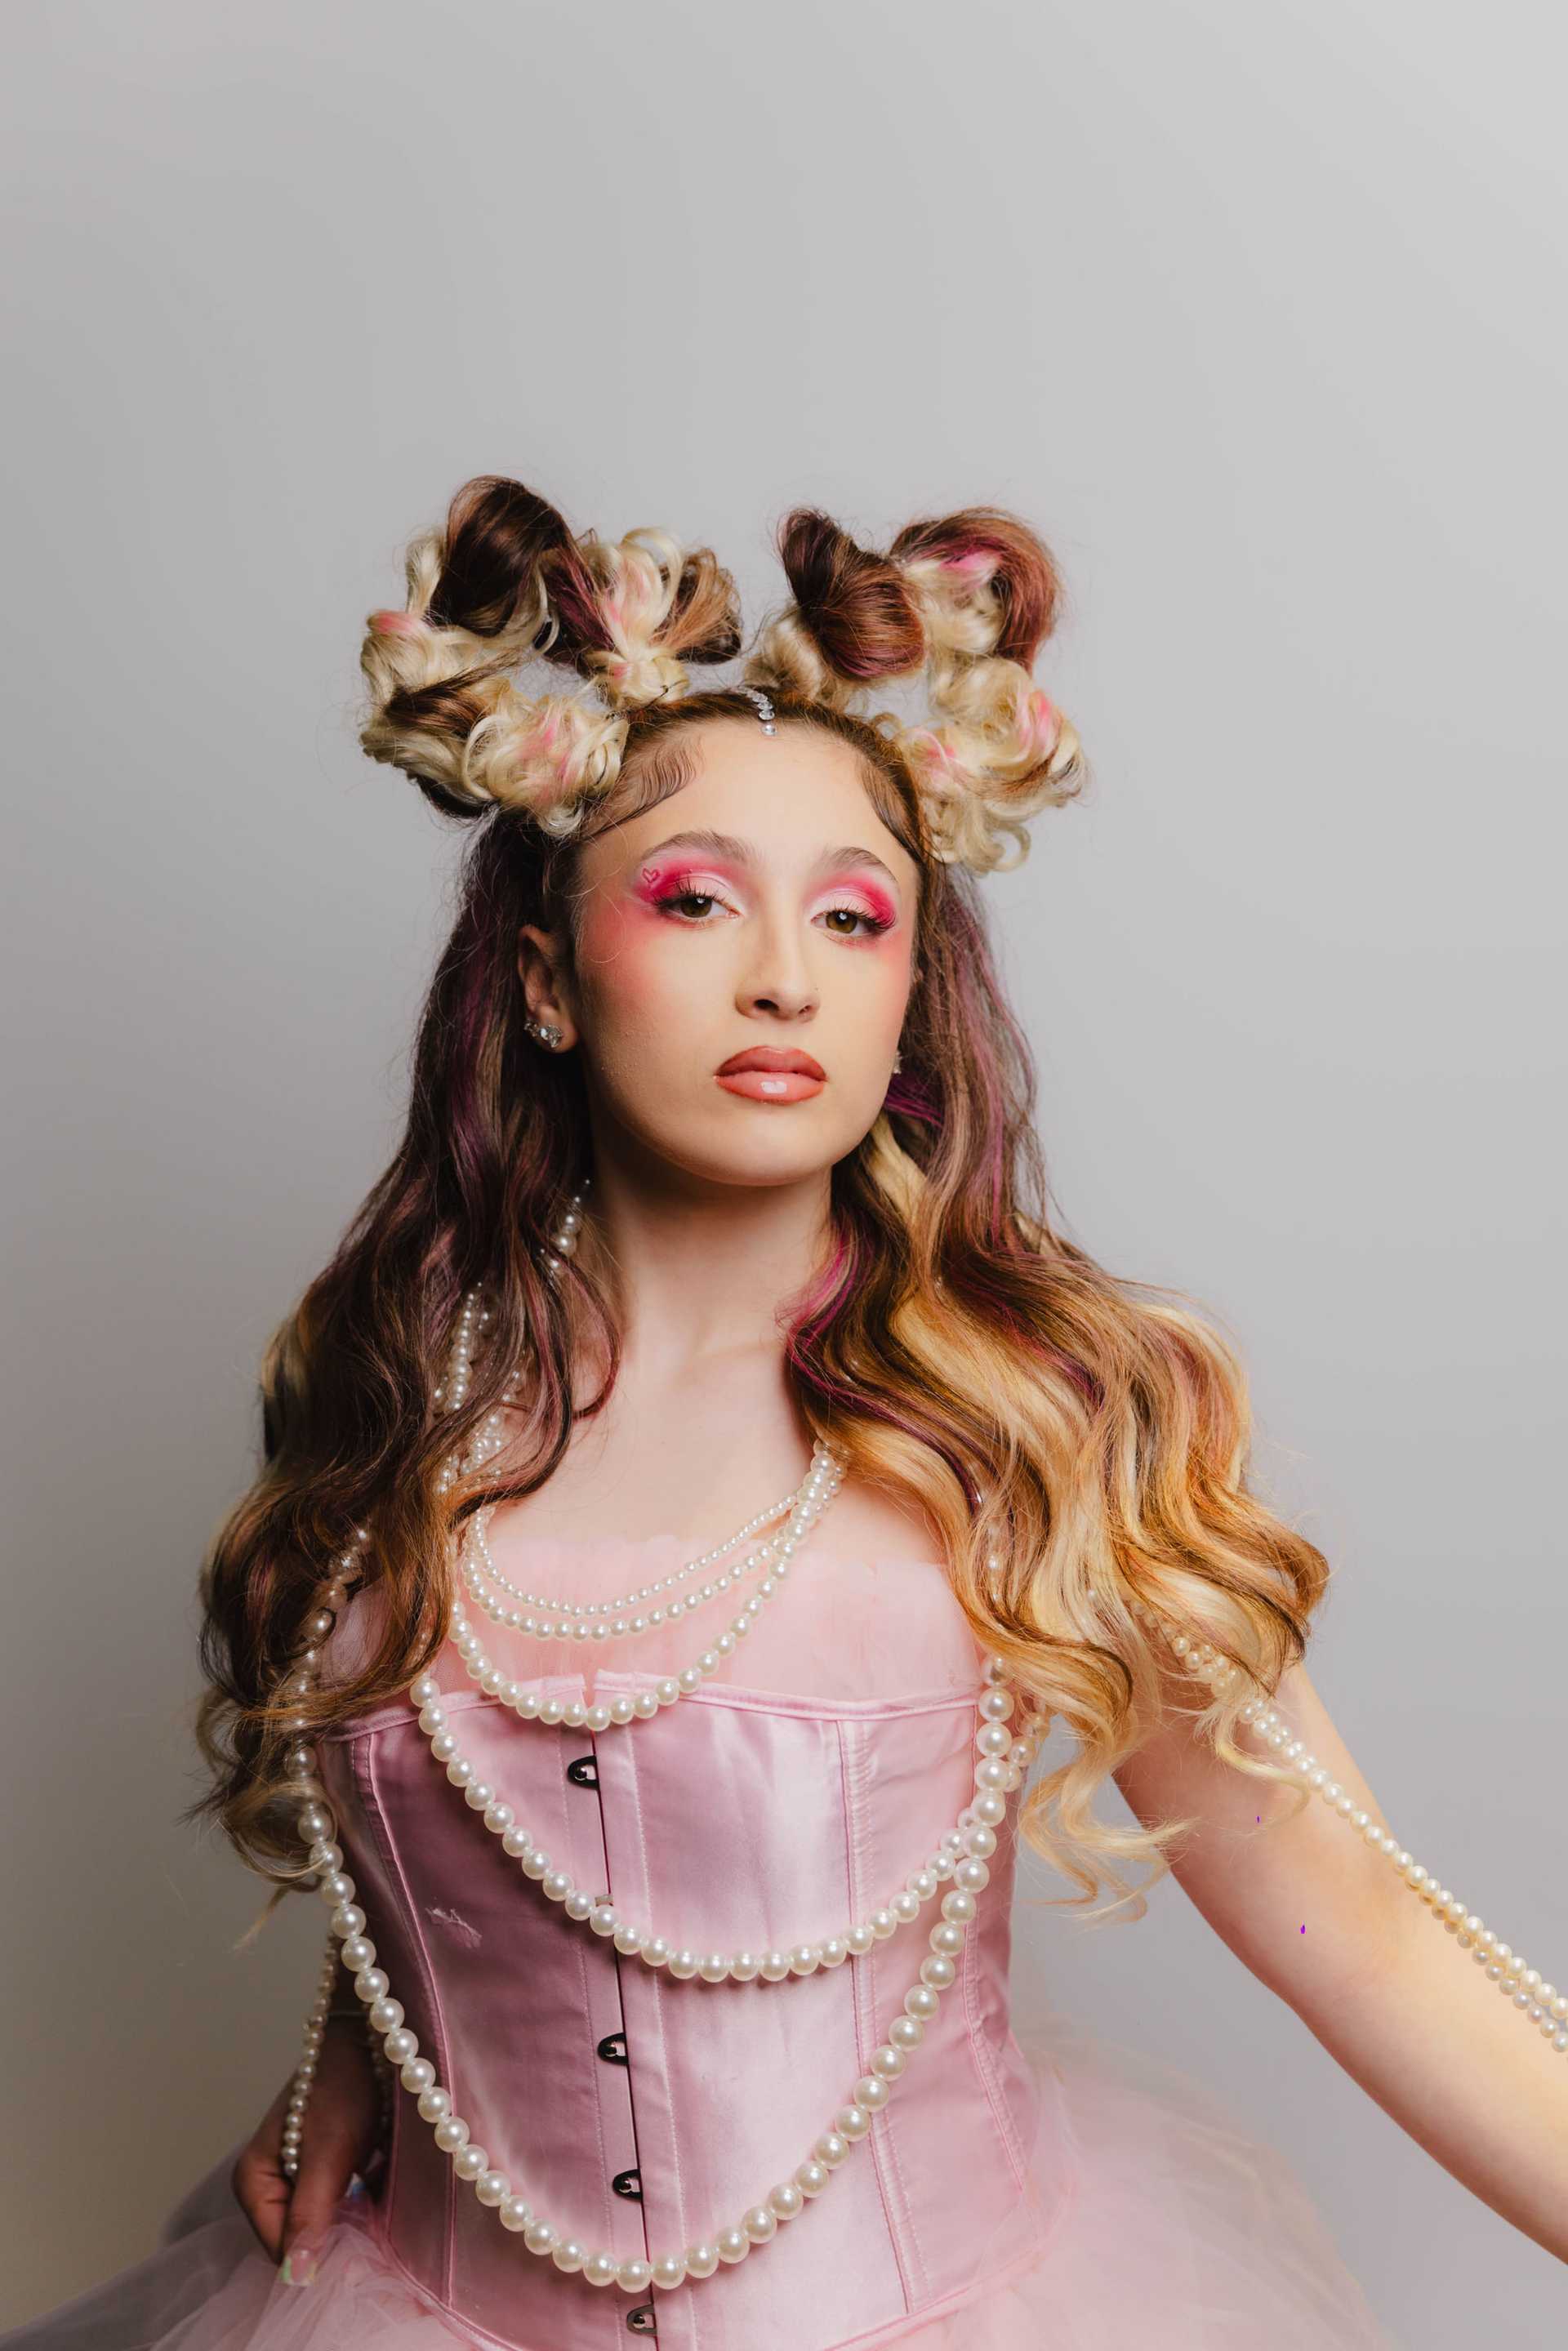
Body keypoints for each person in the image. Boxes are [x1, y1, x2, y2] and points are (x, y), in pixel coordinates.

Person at [7, 479, 1563, 2351]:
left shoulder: (1033, 1423)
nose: (783, 976)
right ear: (544, 980)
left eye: (852, 915)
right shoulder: (397, 1414)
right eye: (693, 900)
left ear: (913, 996)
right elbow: (462, 1803)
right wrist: (373, 2032)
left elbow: (1370, 1936)